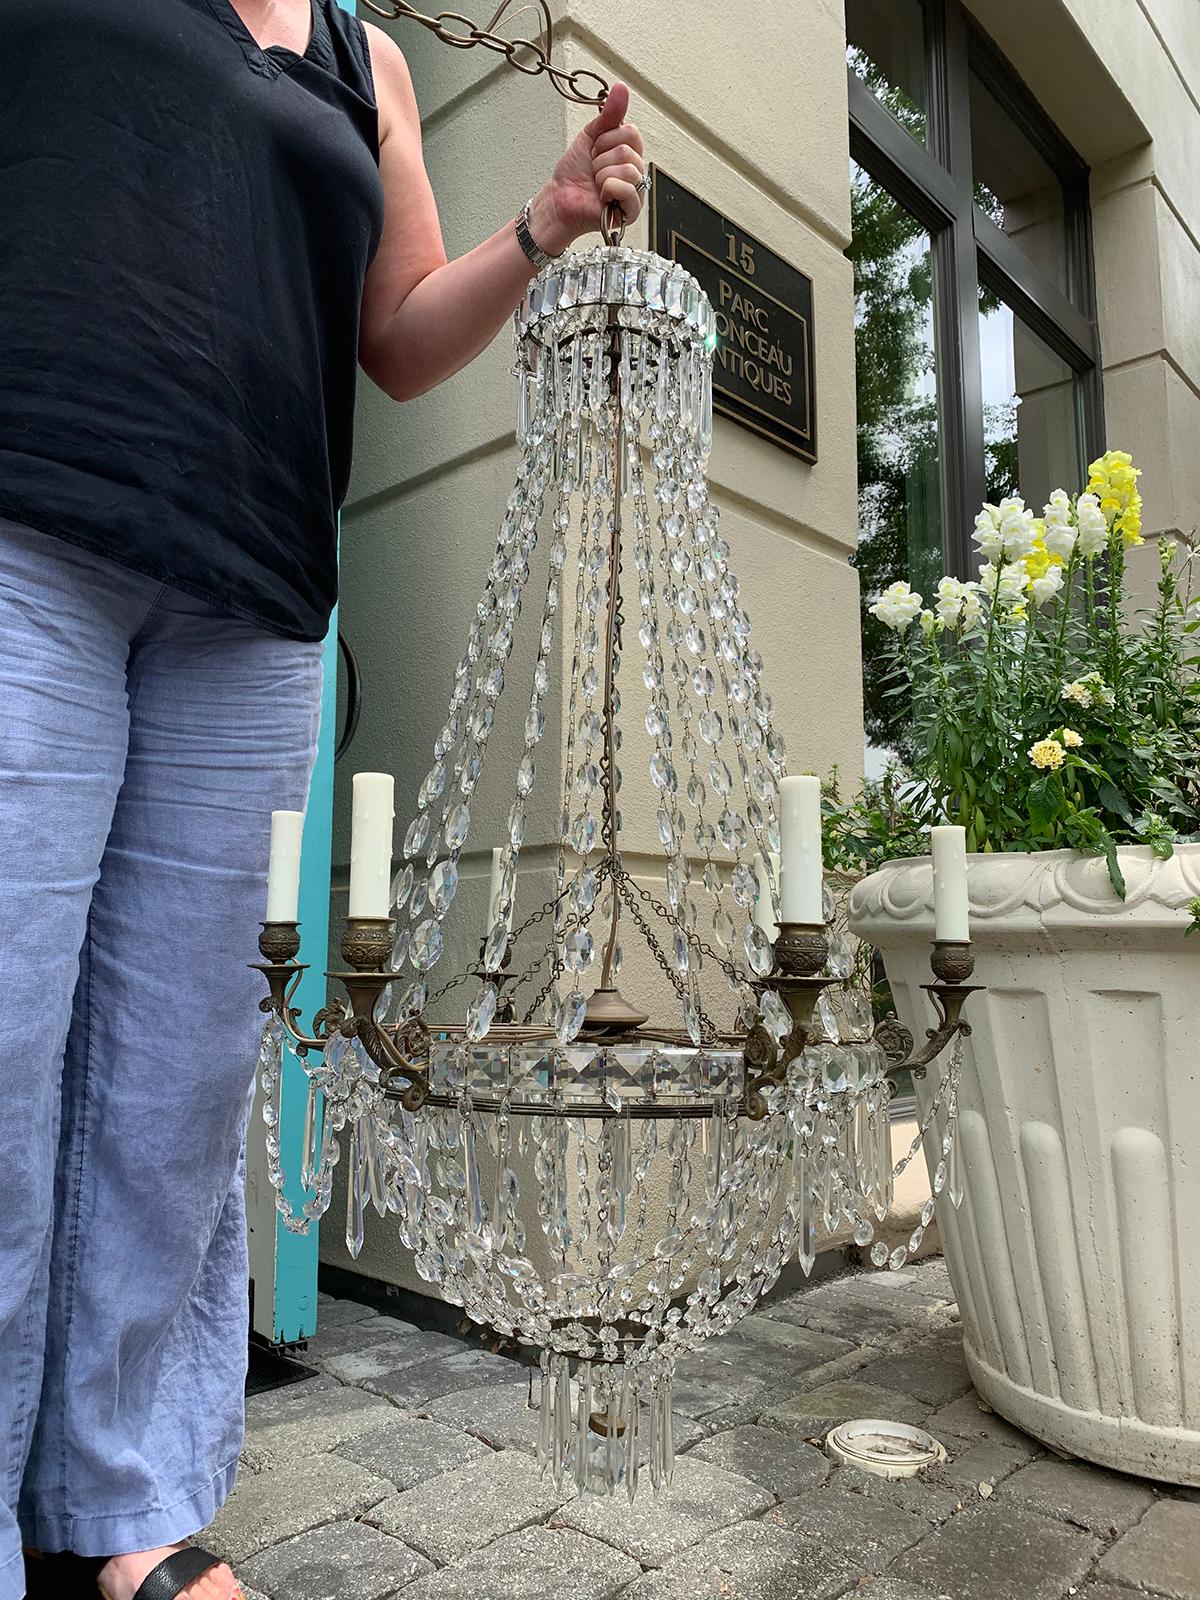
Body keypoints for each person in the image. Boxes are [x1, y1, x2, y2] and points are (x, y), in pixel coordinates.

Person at [0, 3, 646, 1598]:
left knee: (176, 1089)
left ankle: (122, 1506)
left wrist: (544, 223)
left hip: (253, 602)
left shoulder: (372, 60)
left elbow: (403, 334)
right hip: (28, 522)